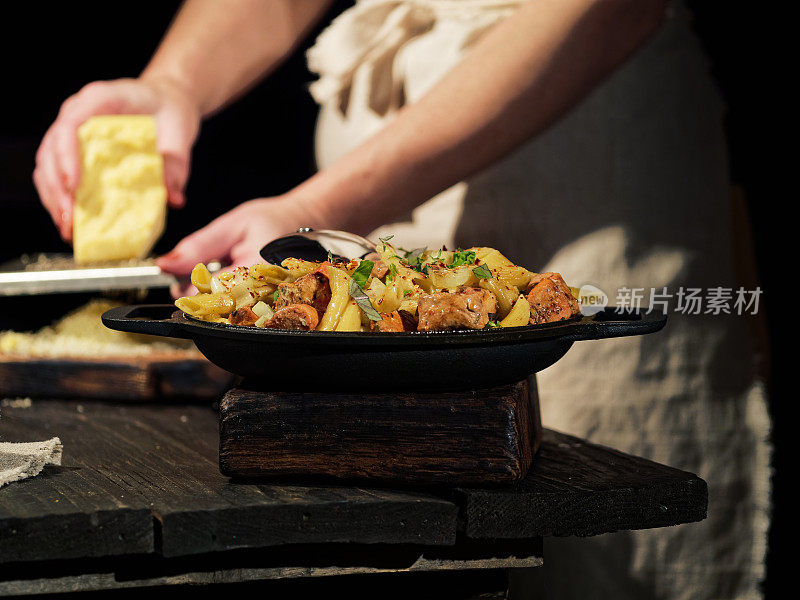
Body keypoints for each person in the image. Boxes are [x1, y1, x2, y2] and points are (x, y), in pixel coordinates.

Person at [34, 1, 769, 598]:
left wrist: (319, 204)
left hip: (580, 176)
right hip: (371, 213)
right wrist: (172, 86)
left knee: (593, 539)